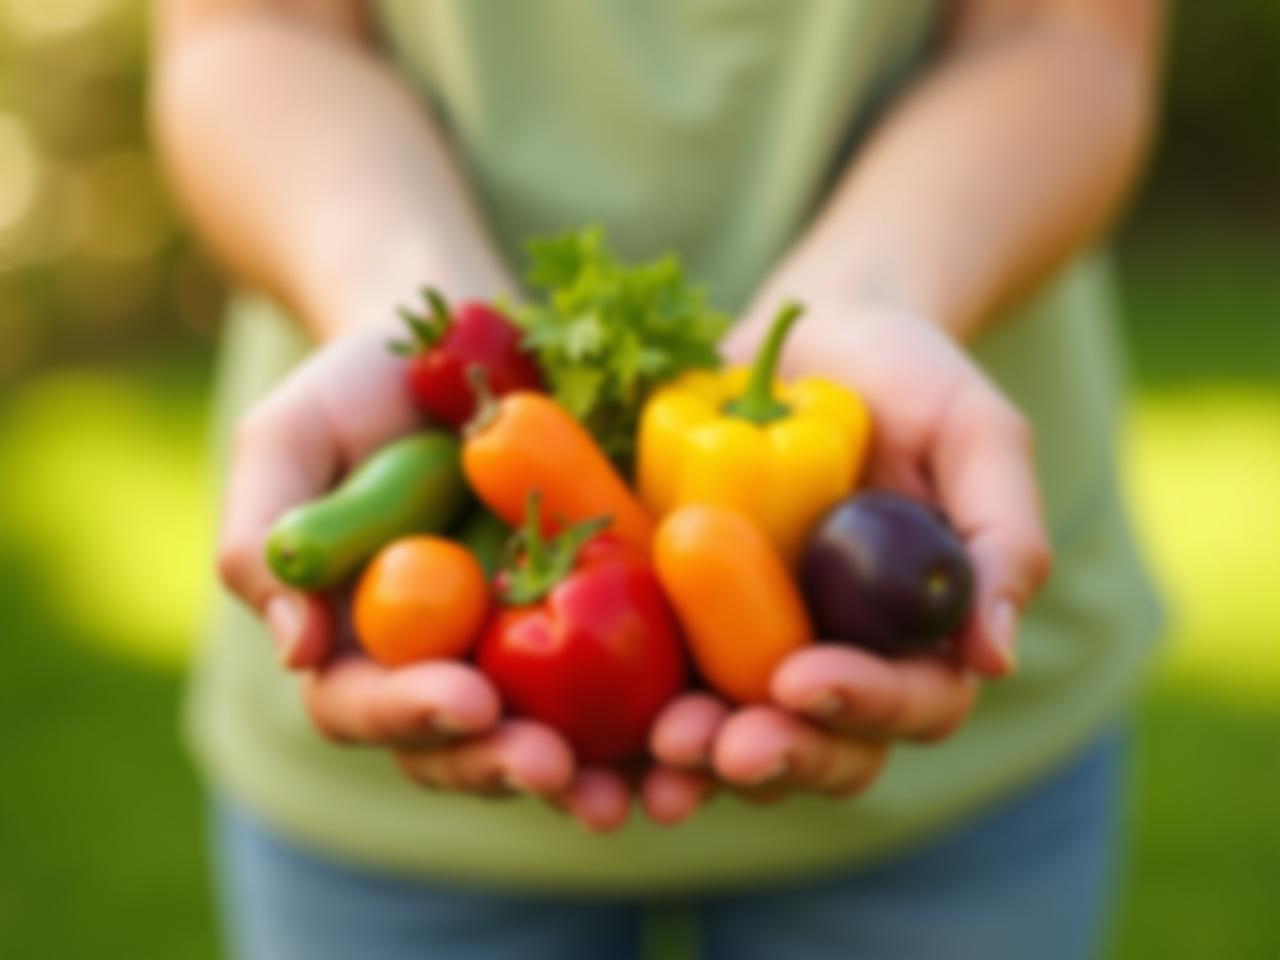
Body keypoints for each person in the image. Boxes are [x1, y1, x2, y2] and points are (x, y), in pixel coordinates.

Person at [152, 1, 1164, 958]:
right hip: (385, 789)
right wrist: (403, 294)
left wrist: (872, 296)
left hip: (954, 731)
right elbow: (252, 25)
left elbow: (1058, 30)